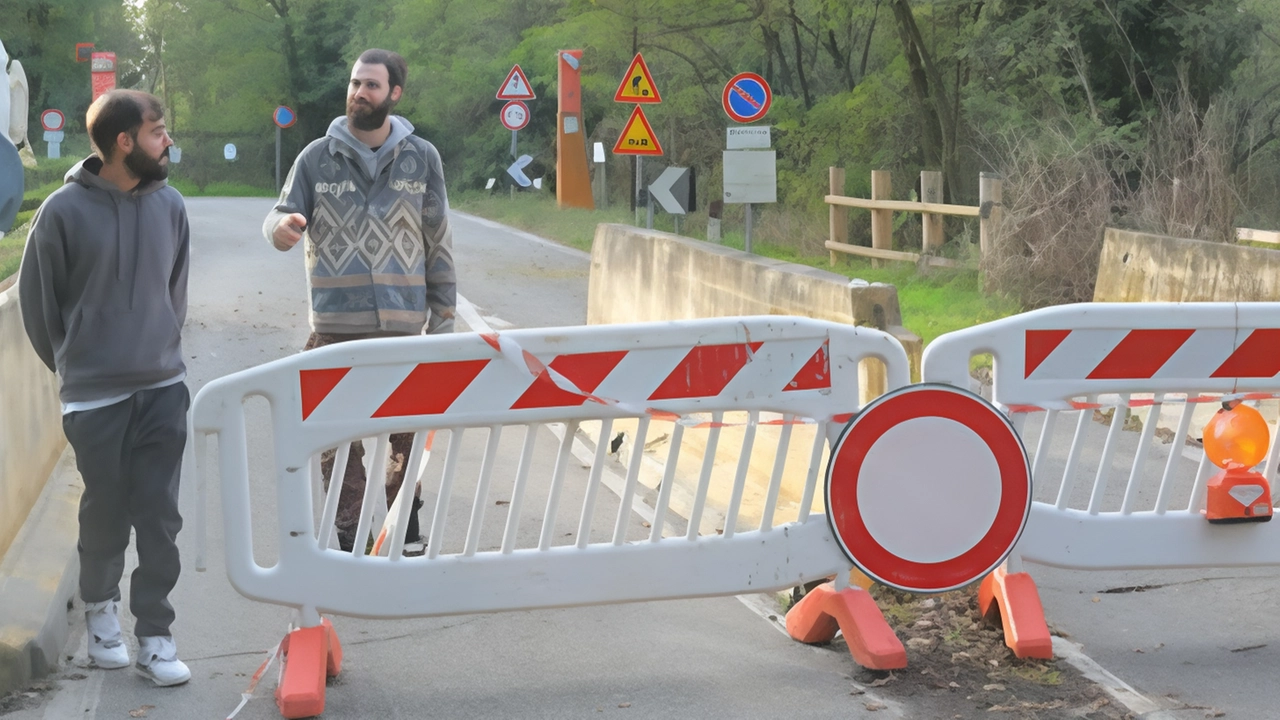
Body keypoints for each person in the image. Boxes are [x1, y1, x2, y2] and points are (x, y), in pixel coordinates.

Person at [18, 89, 191, 687]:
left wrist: (159, 349)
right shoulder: (62, 211)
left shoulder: (170, 205)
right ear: (125, 142)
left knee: (161, 516)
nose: (166, 140)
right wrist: (77, 367)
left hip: (164, 387)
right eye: (157, 131)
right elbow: (40, 310)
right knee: (107, 513)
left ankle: (156, 635)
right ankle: (100, 615)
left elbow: (175, 291)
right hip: (95, 396)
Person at [264, 49, 456, 553]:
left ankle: (403, 528)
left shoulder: (423, 157)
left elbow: (436, 239)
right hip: (334, 328)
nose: (359, 93)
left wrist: (445, 317)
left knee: (408, 437)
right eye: (354, 83)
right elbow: (279, 215)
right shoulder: (315, 157)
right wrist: (281, 230)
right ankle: (349, 535)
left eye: (371, 85)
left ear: (394, 94)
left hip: (402, 326)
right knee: (334, 438)